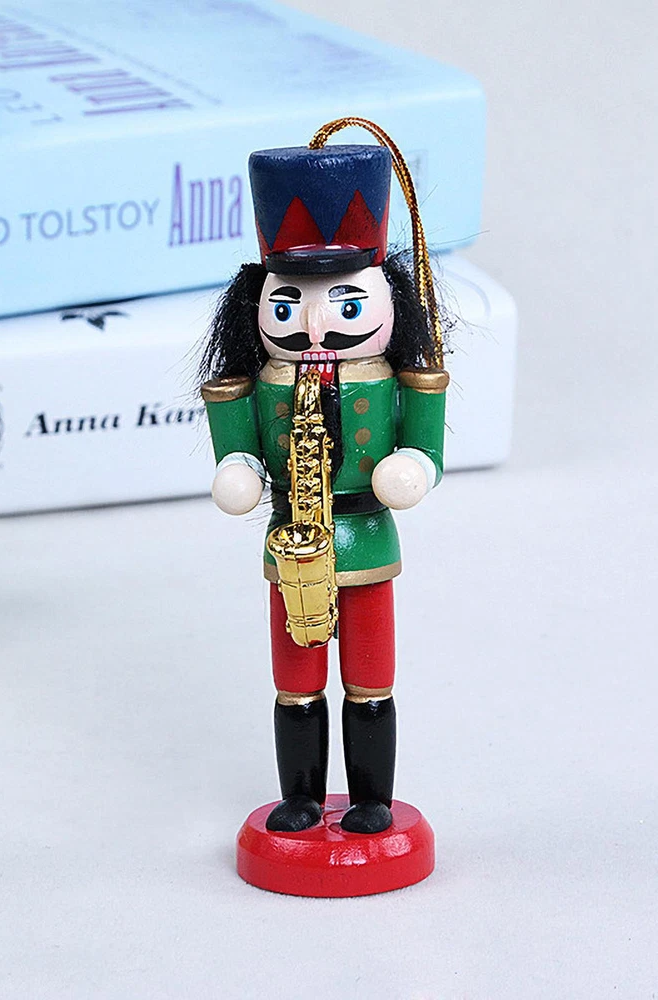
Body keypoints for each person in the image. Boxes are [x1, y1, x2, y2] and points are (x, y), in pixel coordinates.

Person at [200, 131, 448, 836]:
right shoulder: (259, 382)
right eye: (286, 306)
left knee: (371, 676)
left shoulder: (399, 380)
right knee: (296, 683)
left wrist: (413, 468)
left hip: (364, 537)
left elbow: (426, 449)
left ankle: (372, 798)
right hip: (292, 544)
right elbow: (238, 450)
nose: (313, 326)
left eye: (344, 304)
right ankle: (302, 797)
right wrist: (239, 470)